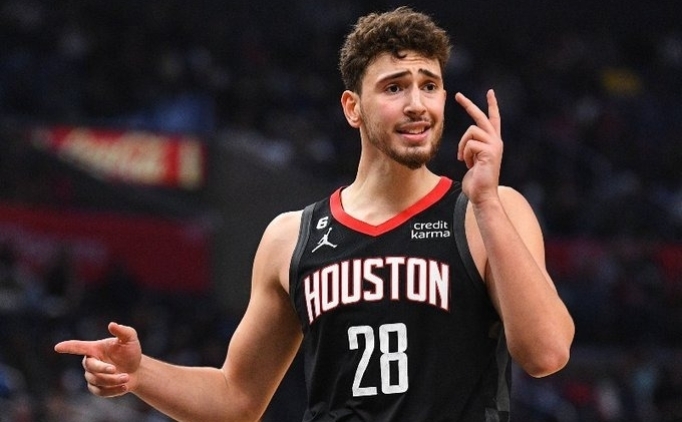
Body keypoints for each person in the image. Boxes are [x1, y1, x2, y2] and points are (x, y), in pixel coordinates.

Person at [55, 6, 575, 421]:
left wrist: (486, 201)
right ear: (352, 107)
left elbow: (546, 354)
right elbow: (237, 399)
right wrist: (140, 373)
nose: (418, 103)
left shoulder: (488, 211)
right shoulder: (291, 237)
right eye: (395, 87)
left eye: (429, 85)